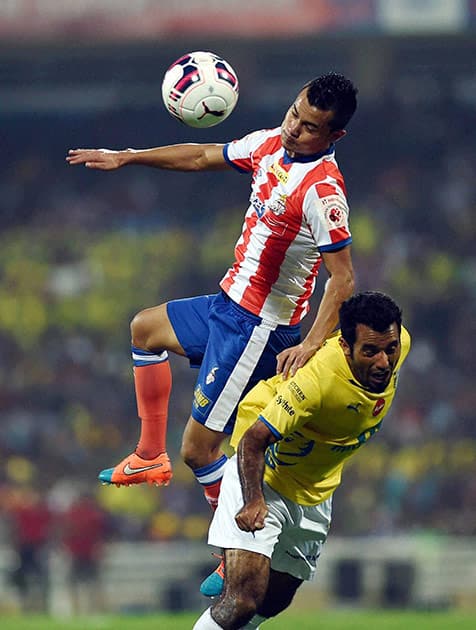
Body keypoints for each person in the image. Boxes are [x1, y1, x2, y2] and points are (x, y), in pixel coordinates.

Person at [66, 73, 358, 517]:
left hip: (259, 328)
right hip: (228, 305)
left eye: (310, 126)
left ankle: (235, 546)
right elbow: (202, 155)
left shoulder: (322, 191)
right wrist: (127, 157)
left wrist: (311, 343)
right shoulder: (268, 145)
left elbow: (343, 279)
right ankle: (148, 455)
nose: (294, 129)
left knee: (199, 451)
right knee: (145, 329)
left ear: (334, 135)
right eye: (294, 114)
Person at [193, 291, 411, 628]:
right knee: (243, 600)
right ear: (345, 347)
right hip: (266, 474)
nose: (384, 362)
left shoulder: (400, 343)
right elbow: (253, 441)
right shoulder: (317, 381)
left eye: (390, 349)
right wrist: (252, 501)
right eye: (370, 351)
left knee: (276, 599)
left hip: (315, 489)